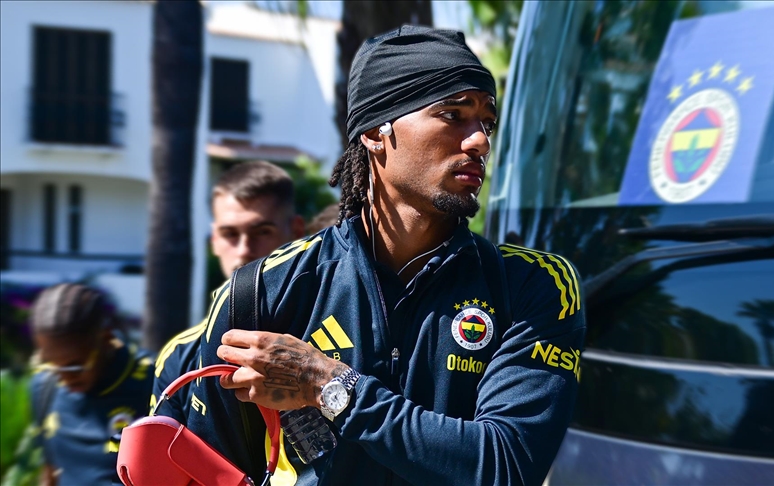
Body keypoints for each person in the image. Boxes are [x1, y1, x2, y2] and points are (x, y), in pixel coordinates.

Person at [177, 25, 586, 485]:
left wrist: (327, 384)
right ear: (375, 131)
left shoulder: (532, 284)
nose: (480, 141)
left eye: (486, 123)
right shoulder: (259, 291)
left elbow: (505, 466)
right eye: (453, 114)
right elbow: (214, 474)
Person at [150, 160, 305, 420]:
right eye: (230, 234)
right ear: (214, 241)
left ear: (297, 232)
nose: (244, 250)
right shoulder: (180, 356)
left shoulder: (329, 326)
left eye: (262, 231)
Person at [29, 283, 153, 486]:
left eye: (75, 366)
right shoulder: (45, 386)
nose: (64, 378)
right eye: (52, 364)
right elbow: (51, 473)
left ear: (106, 338)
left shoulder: (154, 382)